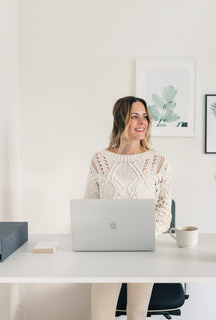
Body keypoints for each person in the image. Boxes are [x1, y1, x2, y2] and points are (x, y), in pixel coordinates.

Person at [84, 96, 172, 320]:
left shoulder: (158, 161)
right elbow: (89, 206)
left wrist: (144, 234)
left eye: (144, 116)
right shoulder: (100, 160)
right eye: (135, 116)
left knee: (137, 316)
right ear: (121, 120)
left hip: (143, 248)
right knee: (101, 316)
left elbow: (163, 210)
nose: (142, 122)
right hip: (107, 250)